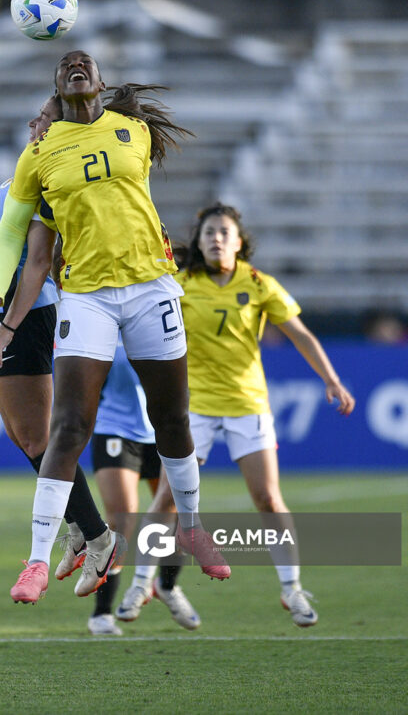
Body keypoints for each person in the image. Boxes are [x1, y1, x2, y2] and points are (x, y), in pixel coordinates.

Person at [0, 49, 231, 605]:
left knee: (172, 419)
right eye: (66, 65)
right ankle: (37, 561)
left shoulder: (132, 131)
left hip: (151, 289)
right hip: (87, 297)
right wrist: (7, 322)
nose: (76, 65)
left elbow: (123, 161)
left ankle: (190, 530)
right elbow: (35, 254)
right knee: (68, 427)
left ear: (100, 81)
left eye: (85, 63)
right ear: (55, 87)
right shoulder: (39, 156)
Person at [0, 110, 118, 592]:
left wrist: (8, 322)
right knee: (28, 439)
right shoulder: (29, 174)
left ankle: (97, 537)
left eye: (46, 118)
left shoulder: (50, 182)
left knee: (39, 439)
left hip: (23, 313)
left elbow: (41, 261)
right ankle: (85, 530)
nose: (34, 123)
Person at [173, 202, 355, 627]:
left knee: (268, 498)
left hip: (247, 405)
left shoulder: (259, 284)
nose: (216, 238)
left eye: (224, 232)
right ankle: (146, 583)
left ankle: (291, 589)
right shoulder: (180, 284)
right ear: (199, 243)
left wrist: (331, 379)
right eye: (209, 233)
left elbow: (301, 334)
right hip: (194, 405)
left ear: (239, 242)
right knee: (171, 498)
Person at [88, 340, 201, 636]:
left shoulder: (162, 323)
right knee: (121, 519)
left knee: (173, 511)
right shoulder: (104, 323)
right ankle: (101, 612)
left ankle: (167, 586)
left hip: (162, 430)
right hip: (114, 428)